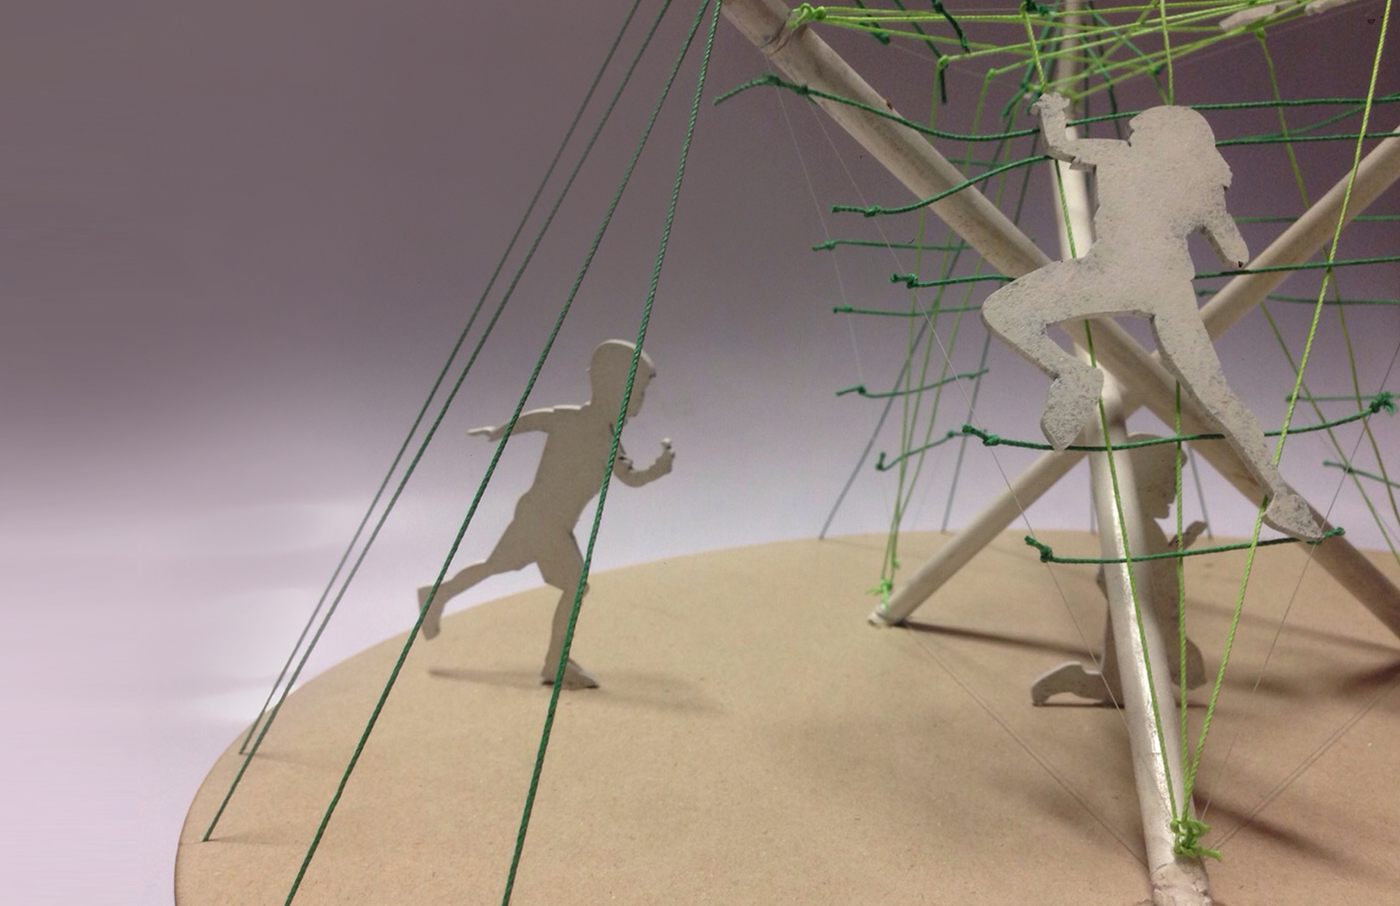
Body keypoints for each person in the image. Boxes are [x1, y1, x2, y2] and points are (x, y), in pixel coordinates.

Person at [981, 93, 1321, 540]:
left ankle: (1071, 373)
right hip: (1168, 291)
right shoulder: (1200, 183)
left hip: (1108, 274)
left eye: (1141, 130)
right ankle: (1282, 495)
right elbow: (1236, 253)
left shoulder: (1116, 156)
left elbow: (1060, 144)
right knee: (1218, 397)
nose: (1134, 133)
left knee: (1004, 309)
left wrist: (1052, 110)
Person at [416, 340, 674, 689]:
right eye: (639, 392)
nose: (640, 402)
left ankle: (437, 595)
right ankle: (556, 663)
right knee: (575, 586)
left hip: (534, 514)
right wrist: (659, 469)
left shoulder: (595, 432)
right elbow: (629, 477)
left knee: (495, 566)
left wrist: (500, 430)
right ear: (616, 387)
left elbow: (538, 420)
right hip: (547, 522)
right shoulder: (599, 436)